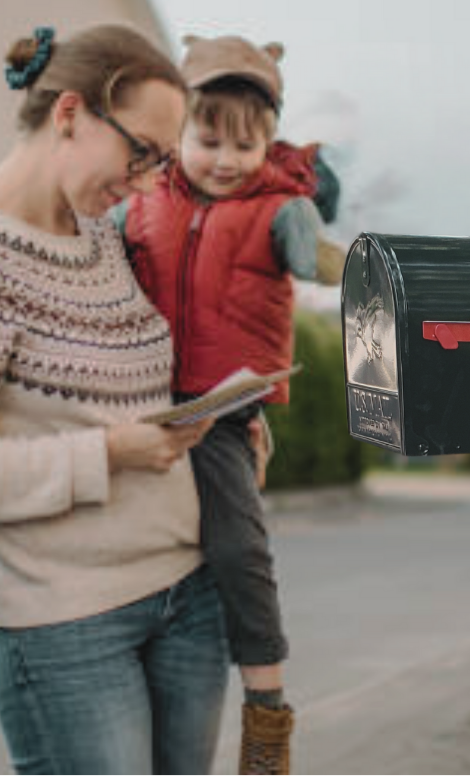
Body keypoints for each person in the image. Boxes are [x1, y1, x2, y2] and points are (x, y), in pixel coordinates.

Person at [0, 24, 228, 774]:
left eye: (159, 163)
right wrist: (109, 452)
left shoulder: (107, 239)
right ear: (69, 114)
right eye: (140, 153)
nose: (143, 182)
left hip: (187, 594)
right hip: (66, 622)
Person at [116, 33, 344, 775]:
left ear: (268, 143)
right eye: (206, 139)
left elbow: (317, 261)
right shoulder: (144, 198)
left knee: (238, 548)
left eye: (243, 147)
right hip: (135, 394)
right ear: (178, 130)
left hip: (219, 410)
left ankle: (266, 709)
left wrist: (357, 247)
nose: (222, 159)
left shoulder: (280, 209)